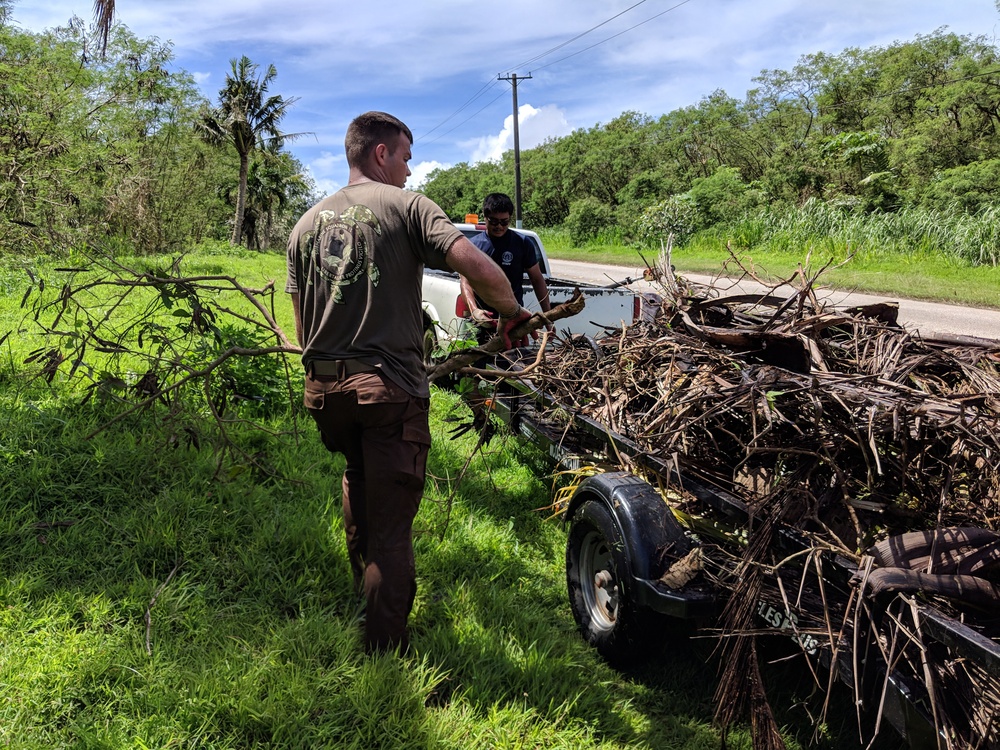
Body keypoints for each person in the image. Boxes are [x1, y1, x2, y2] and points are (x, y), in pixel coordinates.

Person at [285, 111, 531, 654]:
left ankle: (364, 591)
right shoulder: (409, 207)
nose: (410, 171)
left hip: (325, 393)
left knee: (358, 474)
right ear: (380, 154)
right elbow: (482, 270)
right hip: (387, 393)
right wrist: (513, 312)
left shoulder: (305, 225)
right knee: (393, 528)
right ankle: (385, 653)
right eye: (405, 158)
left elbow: (303, 326)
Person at [459, 192, 551, 338]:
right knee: (478, 360)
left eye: (504, 222)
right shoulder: (473, 246)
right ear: (485, 216)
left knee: (513, 359)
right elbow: (465, 282)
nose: (499, 226)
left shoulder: (522, 243)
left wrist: (548, 316)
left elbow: (537, 279)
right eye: (494, 221)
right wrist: (474, 310)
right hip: (483, 321)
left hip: (513, 320)